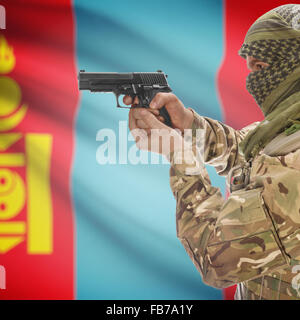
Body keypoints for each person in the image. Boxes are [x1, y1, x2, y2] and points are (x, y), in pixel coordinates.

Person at [124, 4, 300, 300]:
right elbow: (249, 154)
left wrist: (180, 156)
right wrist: (191, 125)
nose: (253, 82)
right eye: (251, 68)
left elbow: (216, 260)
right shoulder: (287, 129)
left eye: (261, 67)